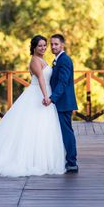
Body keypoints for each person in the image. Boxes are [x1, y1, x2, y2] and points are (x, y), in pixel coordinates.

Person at [0, 35, 65, 177]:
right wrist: (46, 97)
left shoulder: (42, 59)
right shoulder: (35, 60)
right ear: (34, 47)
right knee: (32, 128)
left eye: (44, 45)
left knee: (43, 128)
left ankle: (40, 160)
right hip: (38, 94)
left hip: (46, 93)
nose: (43, 48)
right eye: (40, 45)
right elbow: (40, 78)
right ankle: (28, 161)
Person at [46, 34, 78, 172]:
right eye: (51, 44)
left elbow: (63, 82)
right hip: (61, 102)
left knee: (66, 132)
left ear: (62, 45)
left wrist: (53, 98)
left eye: (56, 44)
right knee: (62, 132)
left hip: (63, 103)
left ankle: (72, 162)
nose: (53, 46)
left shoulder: (65, 60)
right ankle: (65, 160)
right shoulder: (57, 60)